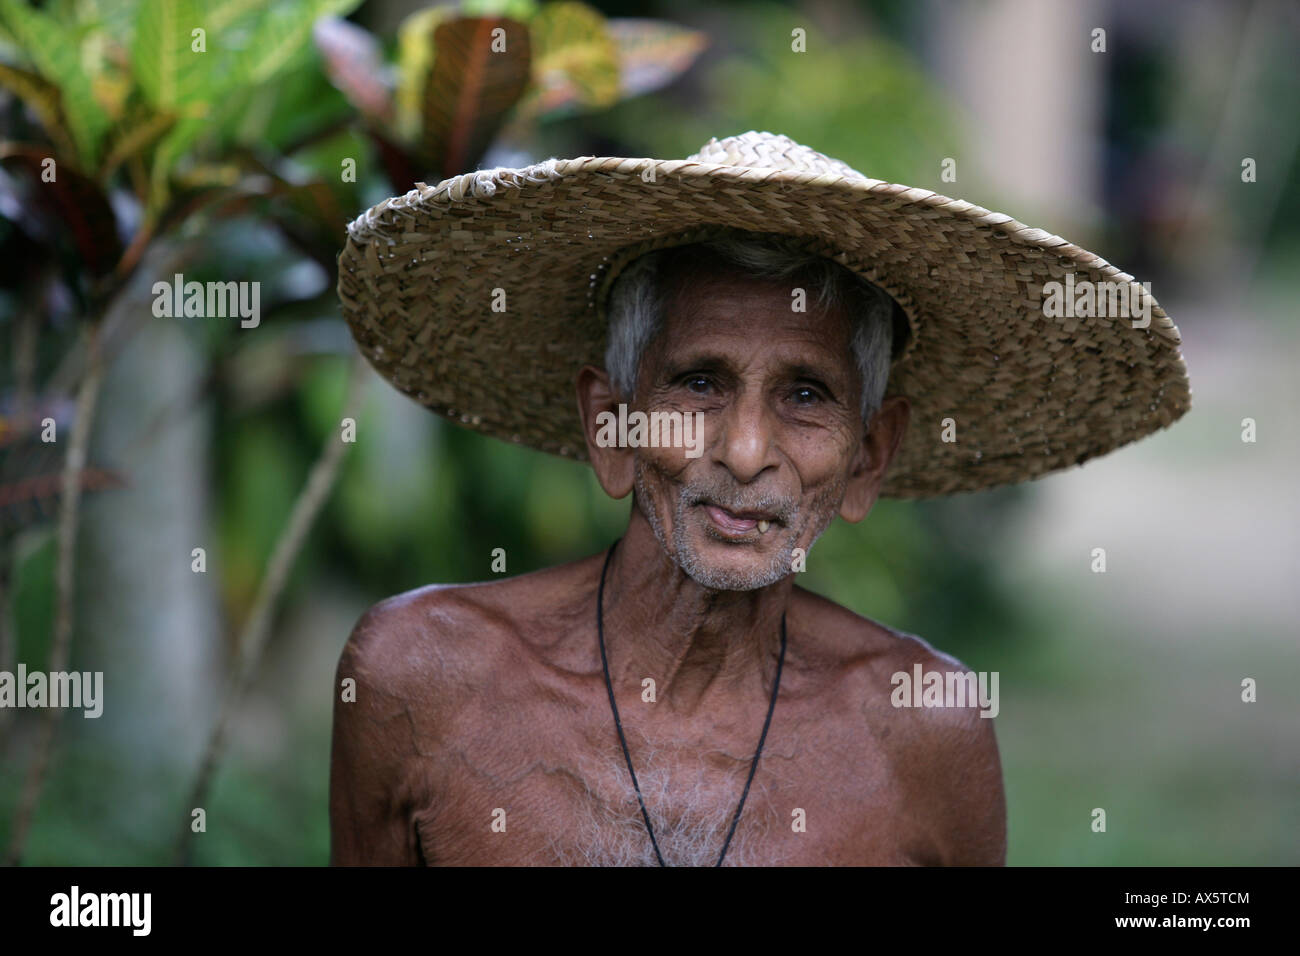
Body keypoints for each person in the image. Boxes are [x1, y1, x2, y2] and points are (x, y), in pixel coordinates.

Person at [329, 131, 1190, 866]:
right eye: (699, 382)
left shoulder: (926, 731)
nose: (744, 452)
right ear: (611, 426)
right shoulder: (417, 678)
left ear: (868, 459)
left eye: (807, 395)